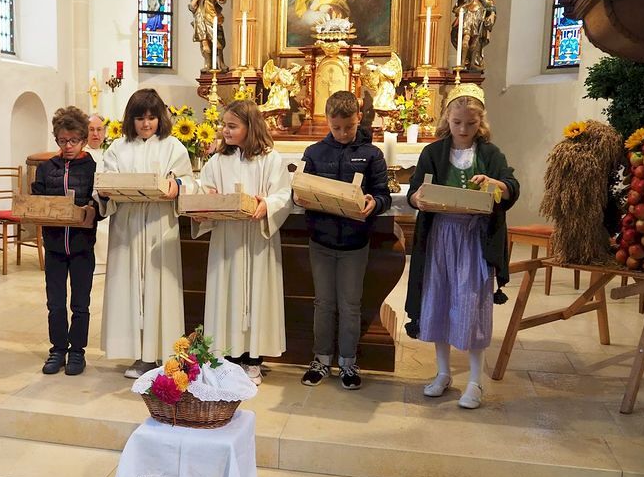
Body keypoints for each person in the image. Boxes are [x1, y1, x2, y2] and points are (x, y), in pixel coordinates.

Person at [405, 83, 519, 409]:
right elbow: (414, 192)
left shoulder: (491, 154)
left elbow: (511, 186)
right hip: (440, 237)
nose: (463, 129)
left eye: (470, 123)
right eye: (457, 123)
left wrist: (495, 184)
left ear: (480, 122)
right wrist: (418, 198)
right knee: (439, 300)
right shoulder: (433, 153)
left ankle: (474, 381)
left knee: (471, 305)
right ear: (447, 119)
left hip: (474, 238)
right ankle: (443, 373)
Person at [95, 89, 194, 378]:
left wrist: (177, 186)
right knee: (129, 287)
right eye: (140, 118)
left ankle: (163, 354)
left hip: (160, 226)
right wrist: (104, 191)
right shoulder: (118, 148)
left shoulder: (173, 147)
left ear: (160, 118)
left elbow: (188, 181)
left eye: (151, 117)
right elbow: (104, 182)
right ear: (131, 119)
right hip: (127, 226)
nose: (146, 124)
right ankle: (139, 355)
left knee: (158, 287)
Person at [194, 100, 293, 385]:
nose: (225, 130)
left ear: (251, 127)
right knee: (226, 293)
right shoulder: (217, 161)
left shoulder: (270, 159)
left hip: (257, 239)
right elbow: (204, 189)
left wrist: (268, 204)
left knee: (257, 294)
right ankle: (229, 359)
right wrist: (205, 201)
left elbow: (283, 194)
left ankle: (253, 360)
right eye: (224, 125)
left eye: (232, 126)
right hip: (227, 239)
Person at [299, 91, 391, 390]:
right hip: (321, 240)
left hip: (355, 242)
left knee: (350, 304)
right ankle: (321, 359)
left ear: (358, 119)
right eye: (336, 127)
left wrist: (374, 203)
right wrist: (299, 196)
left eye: (348, 127)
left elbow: (383, 194)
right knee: (323, 302)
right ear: (327, 121)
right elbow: (300, 187)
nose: (342, 133)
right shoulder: (314, 152)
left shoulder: (372, 154)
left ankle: (348, 362)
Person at [33, 106, 100, 376]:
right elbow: (36, 199)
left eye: (73, 140)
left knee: (80, 304)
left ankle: (77, 352)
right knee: (56, 303)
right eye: (62, 141)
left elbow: (101, 203)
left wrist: (91, 210)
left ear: (83, 139)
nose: (68, 146)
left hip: (82, 246)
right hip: (54, 246)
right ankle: (58, 349)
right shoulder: (46, 168)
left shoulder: (93, 167)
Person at [452, 0, 494, 72]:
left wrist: (492, 14)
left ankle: (472, 63)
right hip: (466, 11)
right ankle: (462, 63)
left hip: (479, 11)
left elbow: (489, 0)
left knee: (476, 40)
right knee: (465, 37)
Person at [190, 0, 228, 72]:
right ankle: (208, 64)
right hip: (202, 16)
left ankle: (221, 63)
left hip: (213, 16)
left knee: (218, 43)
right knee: (205, 43)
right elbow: (192, 5)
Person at [85, 114, 110, 272]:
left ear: (105, 132)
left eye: (99, 129)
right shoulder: (81, 154)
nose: (96, 134)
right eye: (91, 130)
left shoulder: (110, 153)